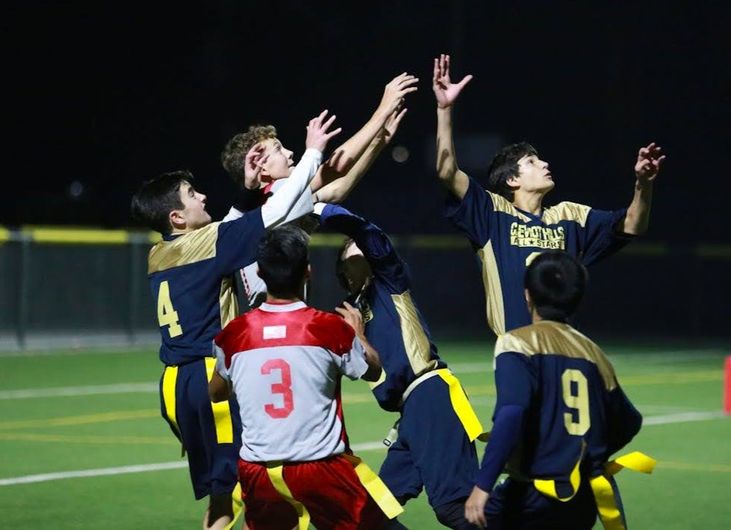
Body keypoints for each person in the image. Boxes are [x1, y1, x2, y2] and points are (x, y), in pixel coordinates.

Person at [129, 110, 340, 530]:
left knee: (223, 499)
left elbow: (224, 232)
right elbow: (275, 211)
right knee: (264, 491)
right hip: (212, 382)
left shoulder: (159, 253)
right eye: (191, 195)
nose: (202, 197)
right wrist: (314, 152)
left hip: (175, 386)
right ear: (176, 217)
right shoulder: (207, 245)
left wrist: (244, 192)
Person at [433, 53, 666, 336]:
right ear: (512, 179)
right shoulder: (491, 213)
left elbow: (633, 223)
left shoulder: (570, 216)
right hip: (516, 347)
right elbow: (447, 171)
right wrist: (444, 110)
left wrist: (643, 183)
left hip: (563, 345)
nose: (544, 164)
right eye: (531, 162)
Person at [209, 224, 402, 530]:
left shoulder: (234, 334)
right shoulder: (328, 328)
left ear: (259, 273)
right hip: (321, 468)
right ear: (308, 272)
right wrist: (358, 334)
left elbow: (216, 392)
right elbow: (373, 369)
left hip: (260, 473)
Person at [317, 202, 484, 530]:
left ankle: (533, 508)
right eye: (352, 250)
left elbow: (370, 236)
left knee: (454, 506)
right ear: (342, 270)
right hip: (410, 412)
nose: (361, 250)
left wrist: (323, 207)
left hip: (432, 393)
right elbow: (374, 378)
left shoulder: (388, 282)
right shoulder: (351, 313)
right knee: (371, 513)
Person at [463, 251, 653, 529]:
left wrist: (483, 485)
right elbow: (629, 421)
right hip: (582, 498)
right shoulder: (593, 353)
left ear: (527, 294)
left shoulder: (517, 343)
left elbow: (512, 412)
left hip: (531, 495)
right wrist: (585, 454)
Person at [220, 73, 417, 308]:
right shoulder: (276, 195)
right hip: (275, 325)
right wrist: (382, 110)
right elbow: (333, 170)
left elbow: (336, 189)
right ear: (261, 168)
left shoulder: (265, 206)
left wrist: (378, 141)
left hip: (263, 323)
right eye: (278, 149)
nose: (289, 153)